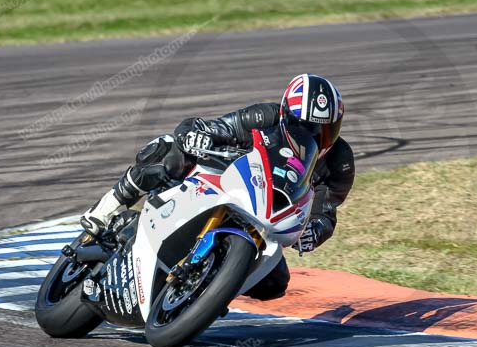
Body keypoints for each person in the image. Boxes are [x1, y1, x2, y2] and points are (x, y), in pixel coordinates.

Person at [80, 74, 355, 300]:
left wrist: (314, 232)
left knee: (275, 284)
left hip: (265, 218)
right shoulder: (264, 117)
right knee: (168, 151)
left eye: (325, 130)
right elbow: (211, 127)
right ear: (286, 116)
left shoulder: (339, 162)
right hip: (225, 182)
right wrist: (197, 137)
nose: (314, 136)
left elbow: (326, 212)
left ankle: (208, 293)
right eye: (304, 126)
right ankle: (108, 207)